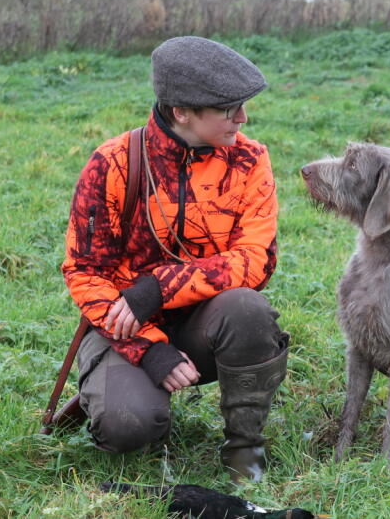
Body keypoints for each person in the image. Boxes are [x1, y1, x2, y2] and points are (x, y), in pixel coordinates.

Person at [61, 36, 288, 484]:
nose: (242, 118)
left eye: (242, 106)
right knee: (127, 426)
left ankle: (245, 449)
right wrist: (148, 349)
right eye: (228, 109)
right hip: (122, 328)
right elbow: (85, 273)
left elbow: (254, 261)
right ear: (181, 111)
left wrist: (160, 287)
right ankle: (144, 414)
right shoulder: (113, 164)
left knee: (248, 309)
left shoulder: (249, 160)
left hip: (207, 321)